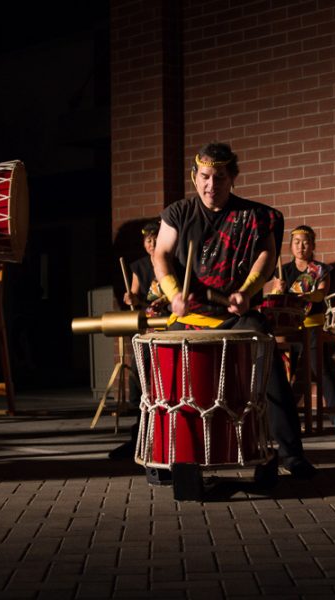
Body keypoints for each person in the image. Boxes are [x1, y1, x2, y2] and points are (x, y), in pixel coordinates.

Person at [152, 141, 316, 479]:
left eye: (220, 178)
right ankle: (160, 455)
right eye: (205, 177)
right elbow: (161, 256)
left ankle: (291, 454)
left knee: (271, 373)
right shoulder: (178, 213)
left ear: (233, 178)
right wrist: (172, 294)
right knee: (159, 377)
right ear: (194, 176)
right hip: (190, 315)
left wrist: (246, 291)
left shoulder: (255, 216)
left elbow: (268, 256)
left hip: (236, 314)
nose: (212, 185)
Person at [109, 219, 169, 460]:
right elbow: (134, 295)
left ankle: (162, 435)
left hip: (169, 329)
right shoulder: (139, 267)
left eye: (156, 238)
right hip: (147, 332)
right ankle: (140, 437)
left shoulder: (171, 263)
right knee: (141, 384)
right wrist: (131, 299)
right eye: (148, 240)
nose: (152, 243)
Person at [270, 225, 335, 425]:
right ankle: (282, 419)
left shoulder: (321, 270)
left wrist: (307, 295)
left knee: (320, 368)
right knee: (285, 371)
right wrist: (278, 289)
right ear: (291, 246)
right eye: (297, 242)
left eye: (306, 242)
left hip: (313, 325)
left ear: (313, 245)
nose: (301, 246)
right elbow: (274, 299)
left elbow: (321, 293)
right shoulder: (283, 271)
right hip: (290, 328)